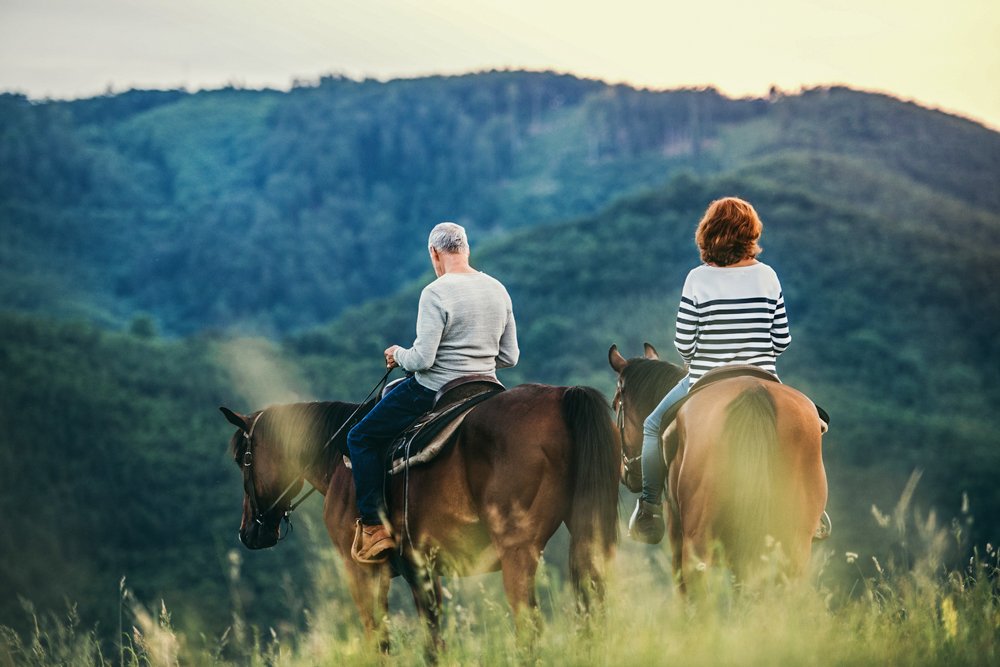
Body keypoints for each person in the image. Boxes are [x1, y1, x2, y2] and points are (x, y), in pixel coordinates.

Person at [348, 222, 519, 563]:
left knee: (360, 437)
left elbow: (422, 359)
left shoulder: (436, 292)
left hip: (436, 389)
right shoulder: (497, 288)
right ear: (466, 249)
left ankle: (374, 527)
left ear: (434, 254)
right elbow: (510, 357)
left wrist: (397, 354)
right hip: (487, 388)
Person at [629, 197, 791, 544]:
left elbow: (684, 343)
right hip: (763, 375)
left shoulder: (698, 278)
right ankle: (814, 512)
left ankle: (649, 508)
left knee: (653, 425)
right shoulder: (768, 276)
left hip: (706, 377)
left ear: (708, 233)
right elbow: (782, 340)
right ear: (750, 234)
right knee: (810, 426)